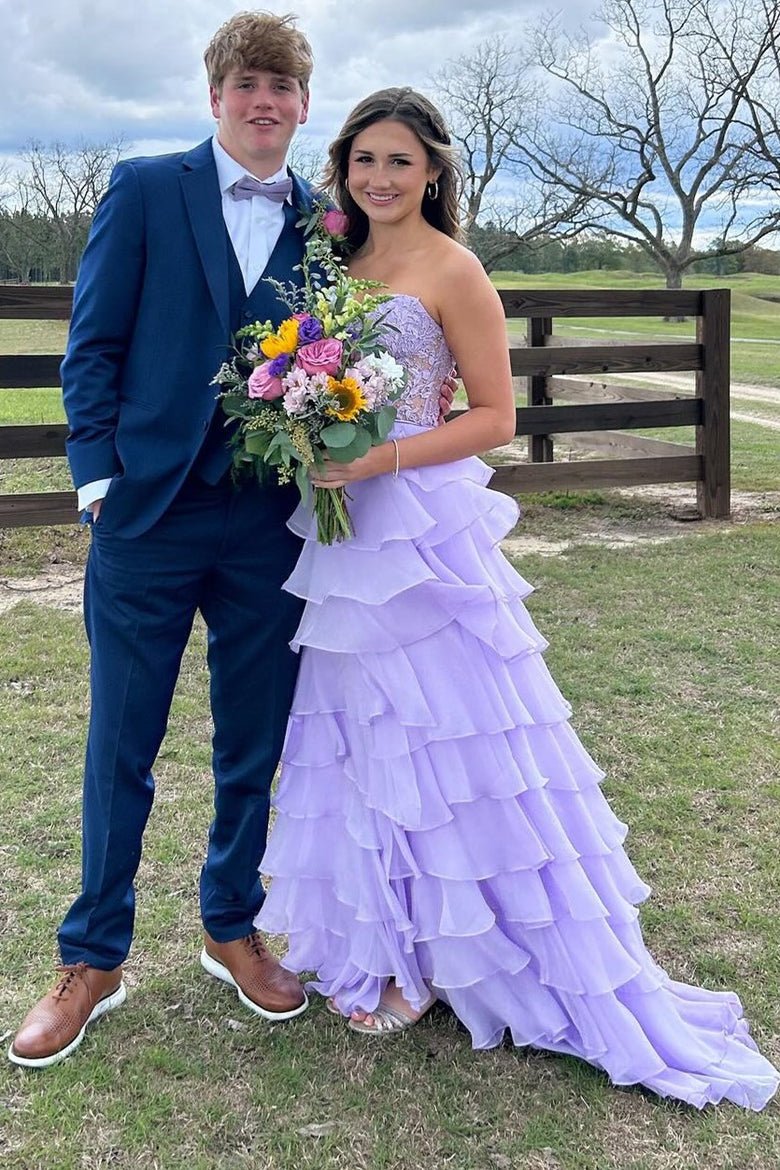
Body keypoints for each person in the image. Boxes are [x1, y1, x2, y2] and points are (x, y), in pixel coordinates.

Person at [255, 87, 780, 1110]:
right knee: (362, 729)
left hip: (420, 523)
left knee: (444, 735)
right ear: (344, 169)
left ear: (432, 173)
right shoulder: (335, 262)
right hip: (341, 529)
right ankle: (393, 947)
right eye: (364, 160)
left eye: (399, 161)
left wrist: (378, 459)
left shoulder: (455, 269)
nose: (379, 178)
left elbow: (495, 415)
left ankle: (465, 949)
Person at [8, 11, 322, 1069]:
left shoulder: (326, 221)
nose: (264, 101)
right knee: (121, 741)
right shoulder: (145, 190)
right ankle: (92, 956)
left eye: (281, 85)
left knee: (254, 738)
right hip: (145, 516)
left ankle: (231, 925)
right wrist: (98, 481)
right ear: (216, 95)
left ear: (303, 104)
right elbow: (91, 345)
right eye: (247, 84)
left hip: (269, 524)